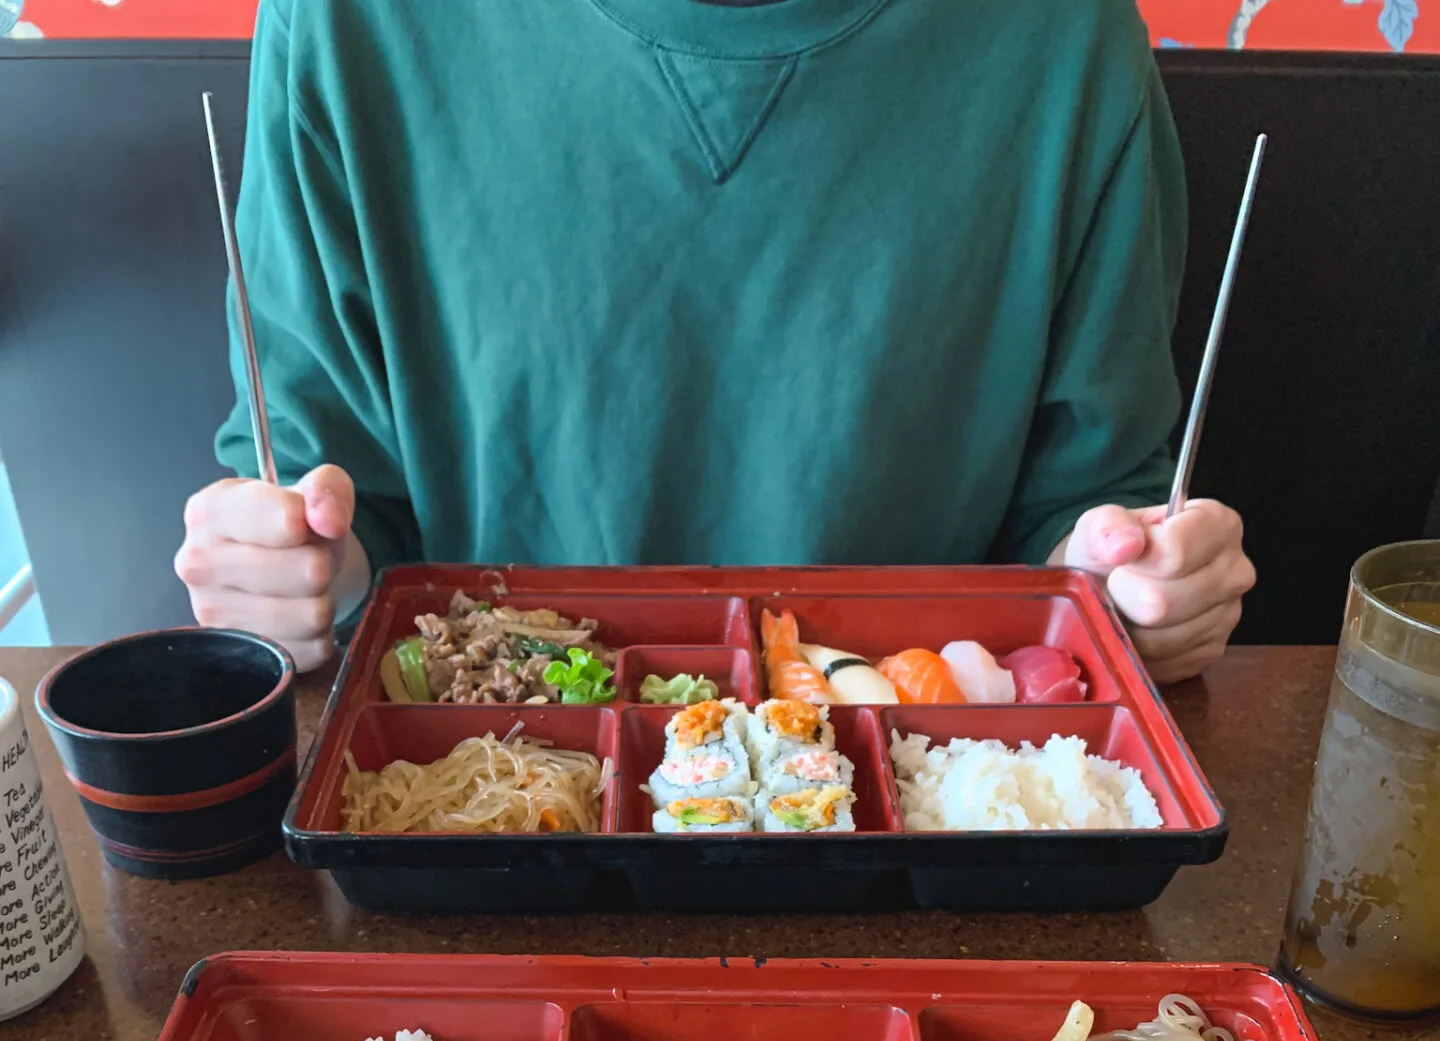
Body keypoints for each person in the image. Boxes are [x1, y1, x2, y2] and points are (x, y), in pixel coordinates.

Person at [177, 0, 1255, 683]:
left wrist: (1131, 588)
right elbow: (332, 508)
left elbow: (1083, 522)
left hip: (921, 814)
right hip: (477, 811)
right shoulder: (344, 23)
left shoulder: (1063, 38)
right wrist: (294, 572)